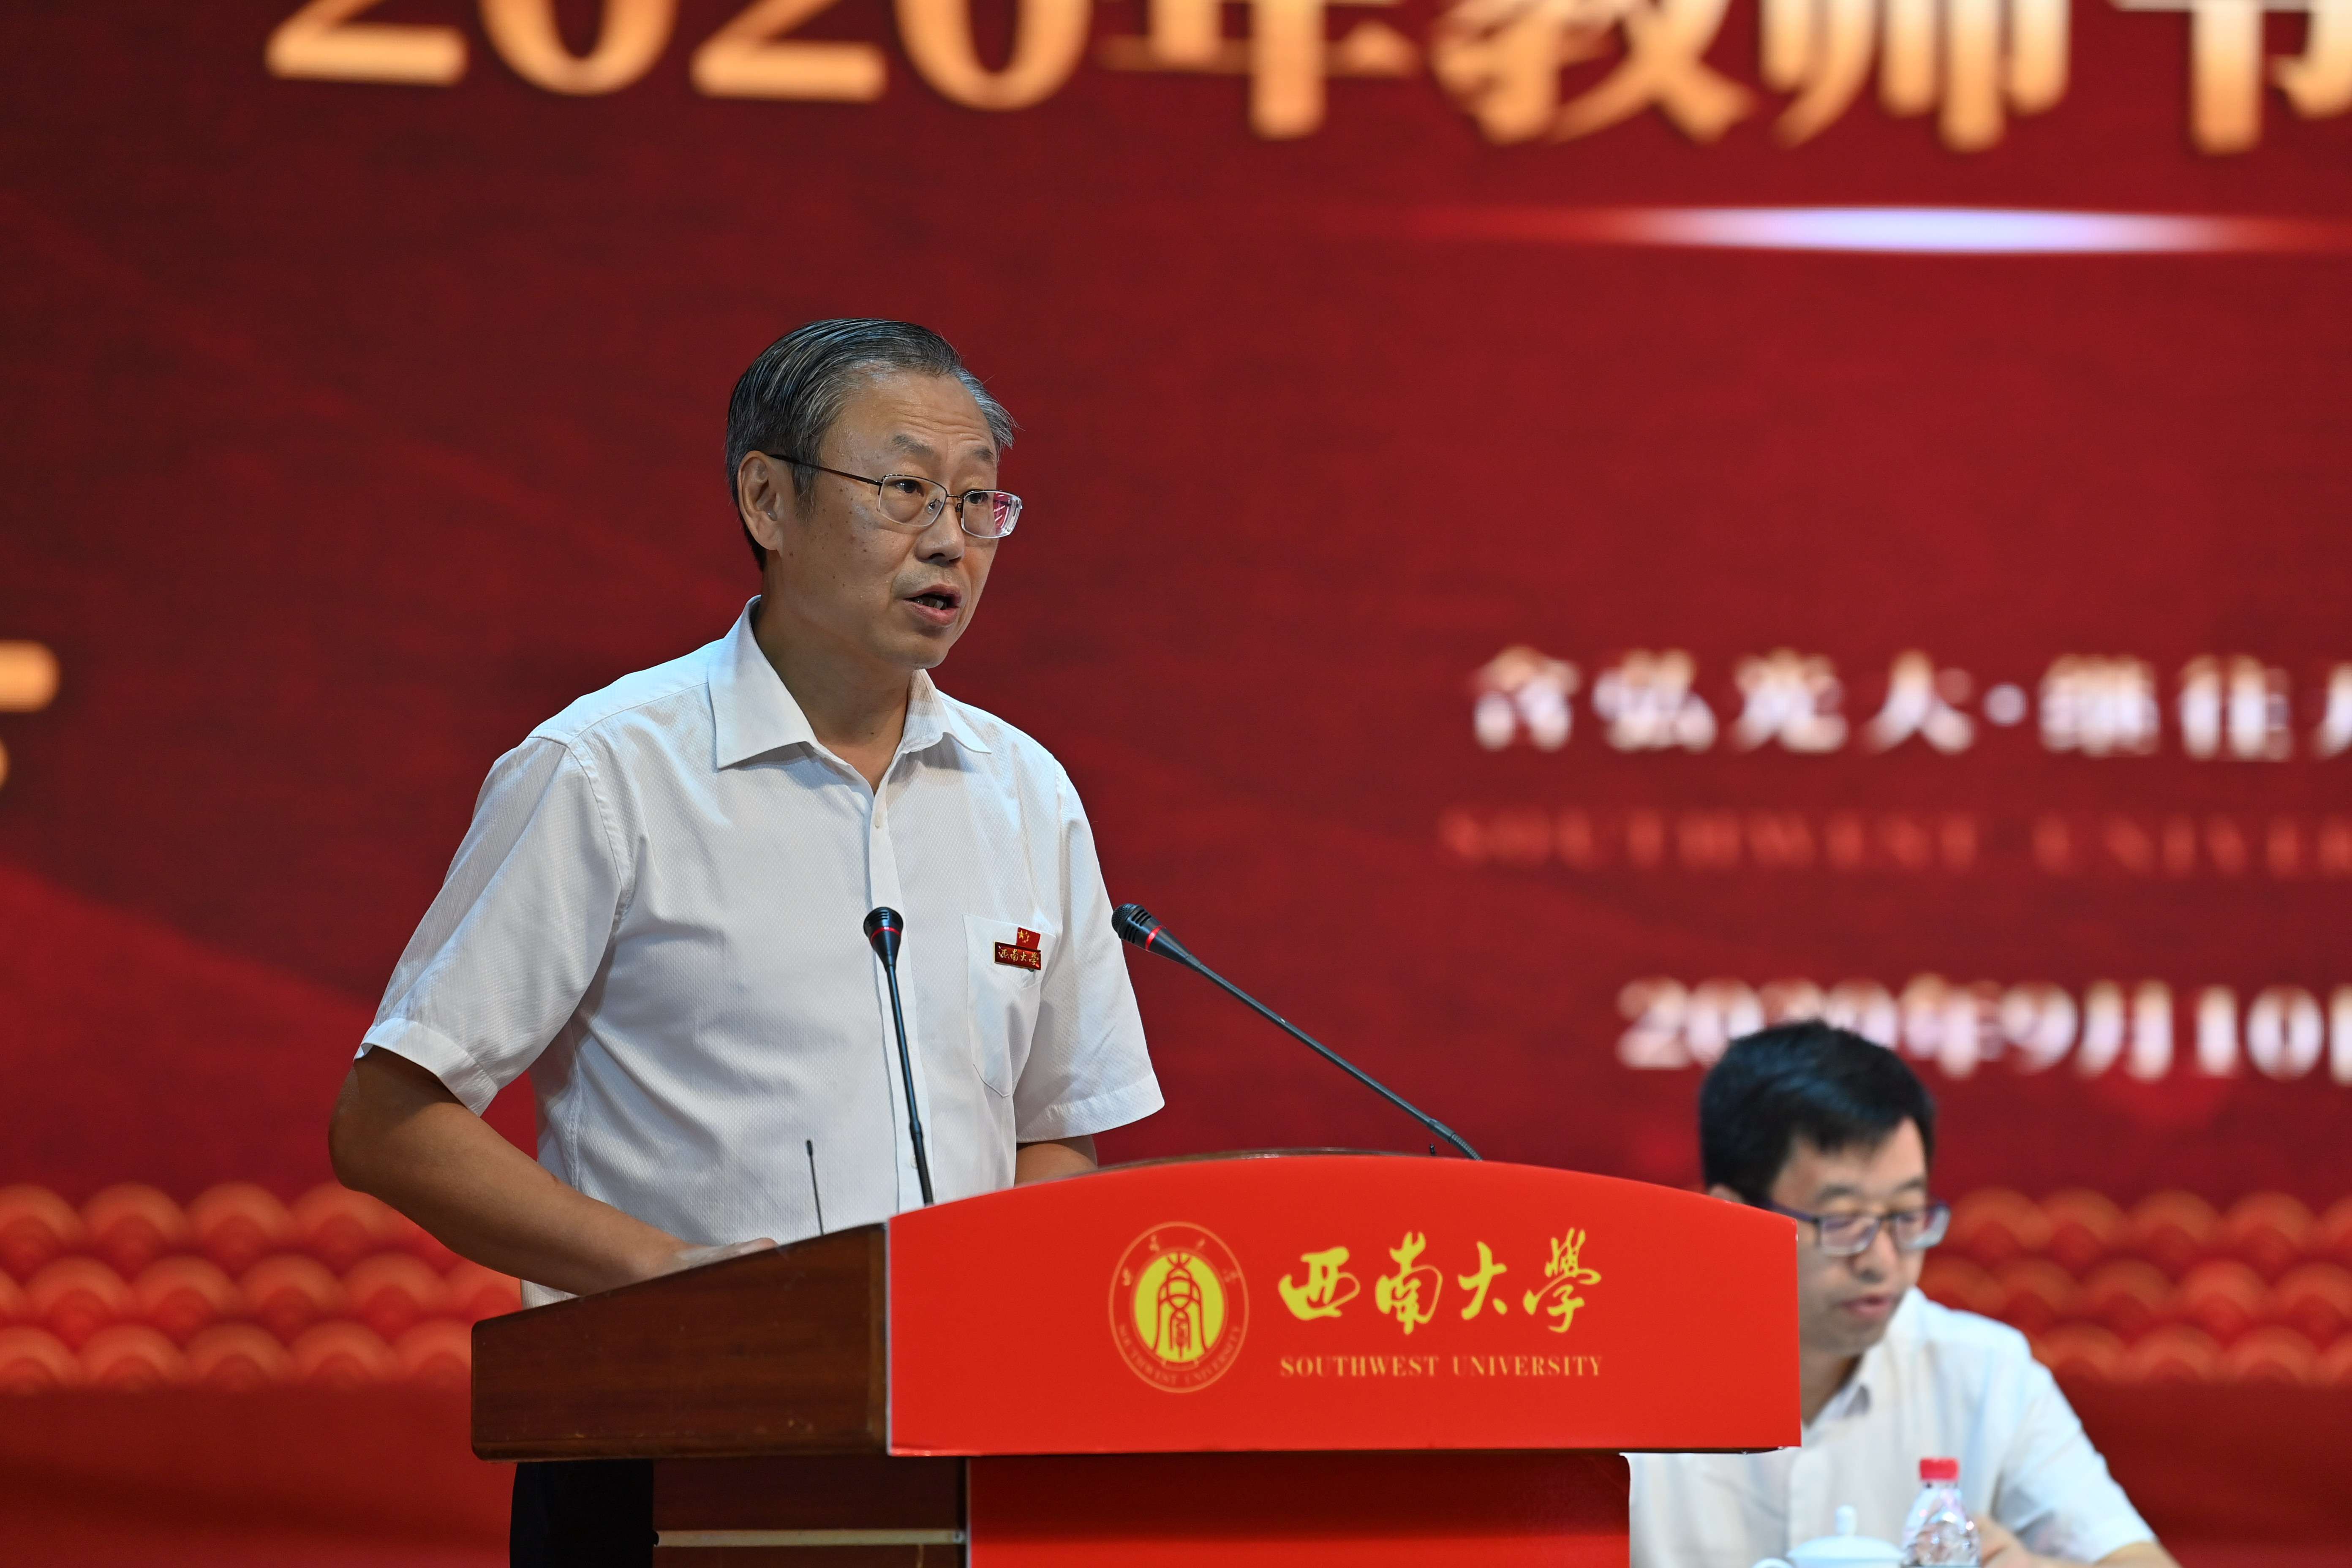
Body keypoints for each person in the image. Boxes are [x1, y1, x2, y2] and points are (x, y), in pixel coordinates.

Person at [327, 319, 1162, 1565]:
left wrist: (1006, 1316)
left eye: (979, 500)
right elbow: (388, 1118)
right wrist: (665, 1271)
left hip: (962, 1460)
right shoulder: (607, 771)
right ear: (768, 499)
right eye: (906, 490)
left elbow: (1056, 1126)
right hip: (663, 1445)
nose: (950, 539)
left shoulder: (1026, 792)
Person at [1628, 1022, 2176, 1568]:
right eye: (1843, 1220)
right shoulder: (1622, 1383)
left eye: (1906, 1215)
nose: (1883, 1261)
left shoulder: (1985, 1374)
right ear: (1733, 1219)